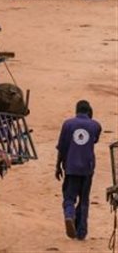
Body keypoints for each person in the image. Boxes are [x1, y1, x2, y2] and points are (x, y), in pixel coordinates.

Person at [56, 100, 101, 241]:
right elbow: (94, 140)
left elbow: (62, 148)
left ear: (76, 111)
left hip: (71, 167)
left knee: (69, 198)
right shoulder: (96, 125)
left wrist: (58, 166)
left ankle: (69, 215)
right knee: (84, 200)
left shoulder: (68, 124)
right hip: (87, 168)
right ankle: (81, 232)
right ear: (89, 112)